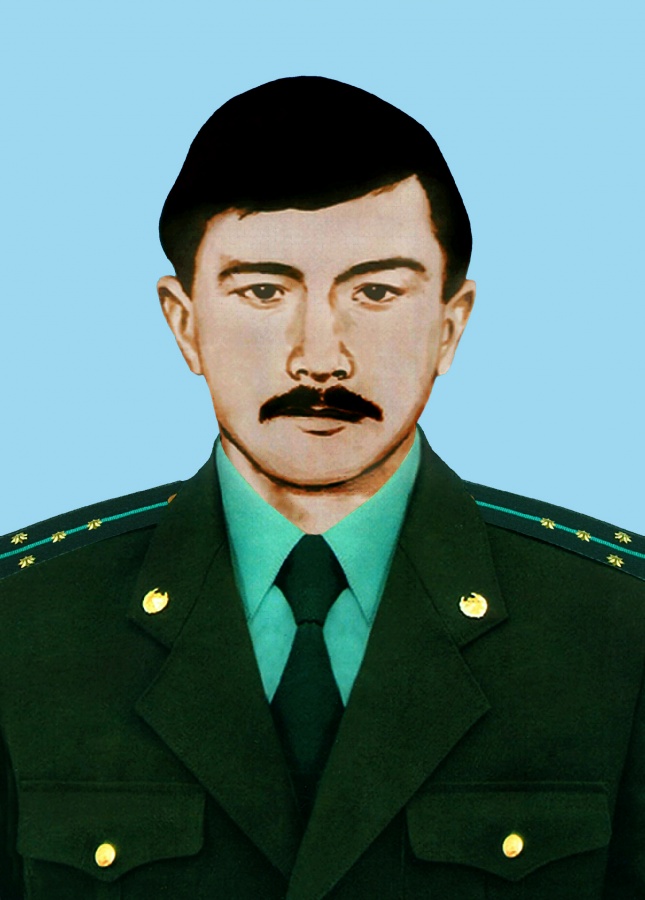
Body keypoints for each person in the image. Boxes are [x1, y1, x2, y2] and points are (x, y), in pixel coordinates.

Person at [1, 76, 644, 900]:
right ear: (184, 323)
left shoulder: (615, 622)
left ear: (449, 326)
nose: (319, 359)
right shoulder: (25, 618)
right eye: (263, 291)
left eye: (375, 292)